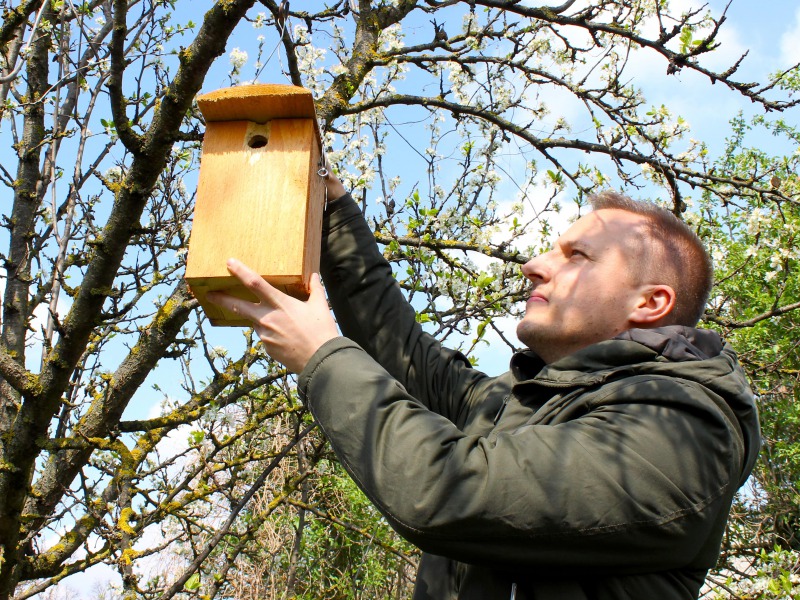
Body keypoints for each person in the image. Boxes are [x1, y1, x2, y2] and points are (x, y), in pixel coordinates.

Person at [208, 174, 761, 600]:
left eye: (576, 256)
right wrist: (330, 210)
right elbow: (401, 350)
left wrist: (322, 356)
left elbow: (452, 492)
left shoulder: (685, 428)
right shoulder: (516, 403)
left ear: (650, 303)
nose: (533, 265)